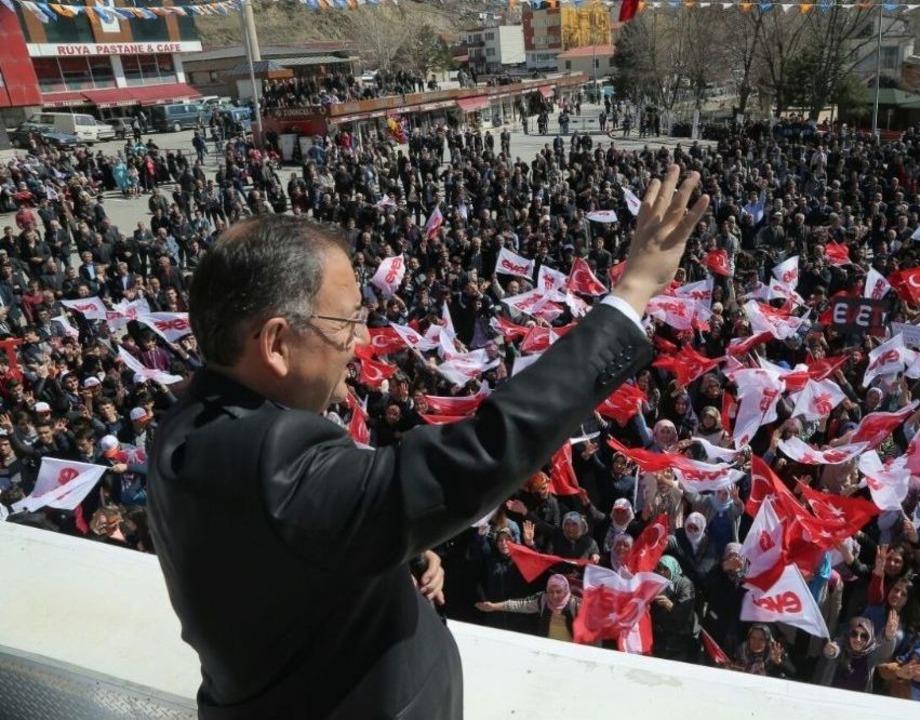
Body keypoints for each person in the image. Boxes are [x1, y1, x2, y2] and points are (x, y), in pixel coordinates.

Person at [146, 167, 709, 719]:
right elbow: (478, 454)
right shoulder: (273, 462)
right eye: (345, 322)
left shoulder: (187, 429)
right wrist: (633, 292)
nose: (361, 339)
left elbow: (291, 559)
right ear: (275, 343)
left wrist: (396, 555)